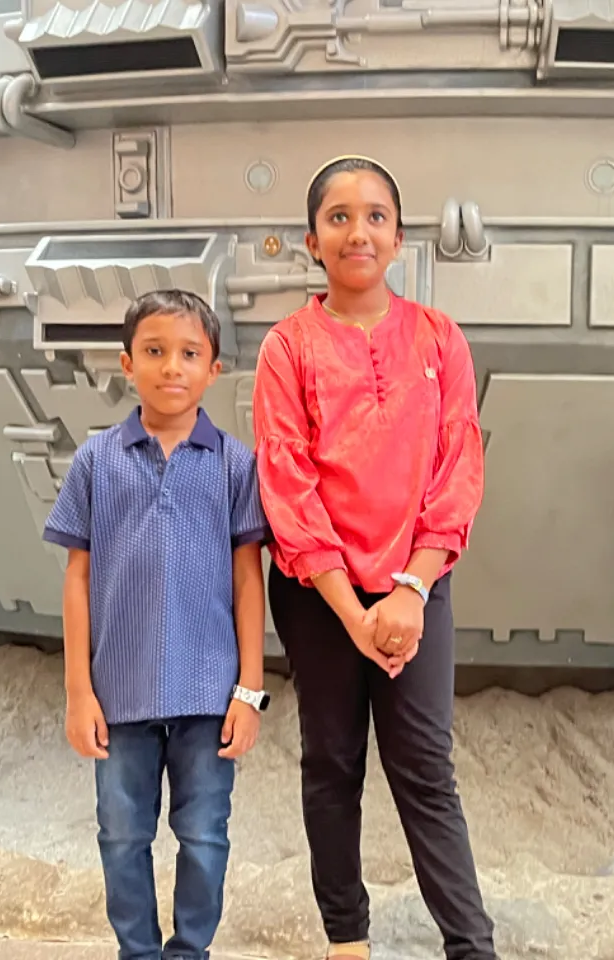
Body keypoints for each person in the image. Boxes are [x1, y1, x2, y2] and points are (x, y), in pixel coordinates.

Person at [252, 156, 496, 960]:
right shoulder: (288, 347)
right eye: (340, 217)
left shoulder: (438, 337)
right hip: (319, 594)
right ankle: (346, 939)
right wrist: (351, 610)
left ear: (398, 235)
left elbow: (457, 466)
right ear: (312, 240)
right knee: (332, 760)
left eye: (376, 216)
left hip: (415, 588)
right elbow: (285, 481)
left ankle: (471, 945)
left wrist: (411, 589)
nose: (359, 231)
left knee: (425, 764)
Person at [42, 288, 272, 960]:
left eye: (189, 353)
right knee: (120, 834)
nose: (172, 367)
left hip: (209, 695)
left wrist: (249, 689)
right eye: (155, 351)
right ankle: (137, 953)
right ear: (126, 363)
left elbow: (247, 580)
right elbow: (77, 578)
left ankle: (189, 951)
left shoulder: (234, 464)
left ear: (214, 369)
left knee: (204, 835)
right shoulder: (96, 462)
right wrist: (79, 692)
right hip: (119, 695)